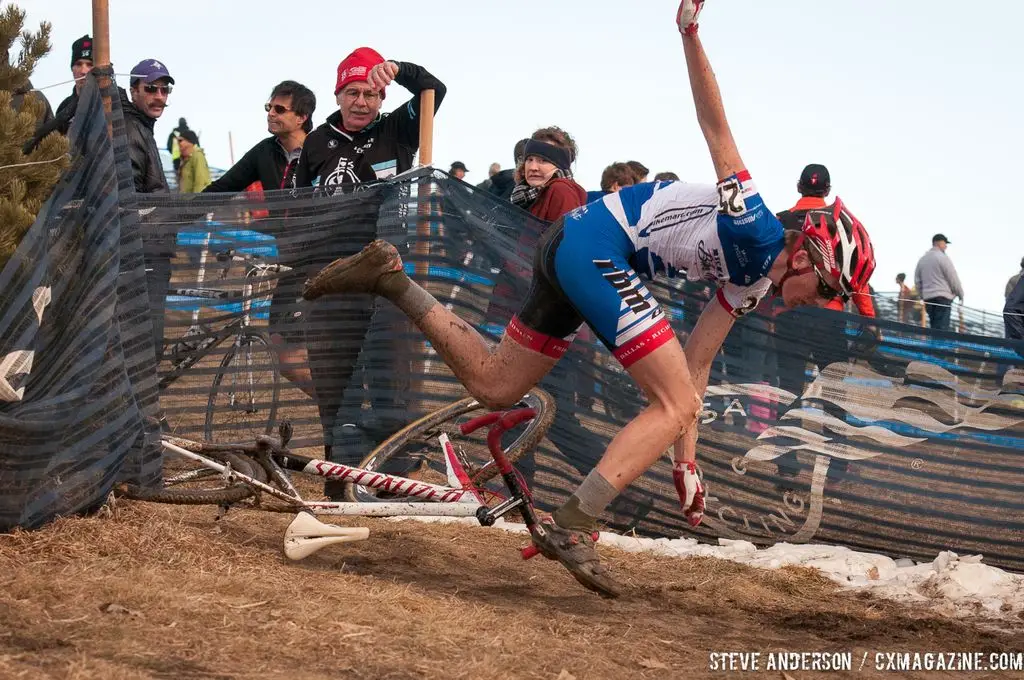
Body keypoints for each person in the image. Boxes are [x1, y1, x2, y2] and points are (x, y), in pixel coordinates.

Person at [301, 1, 876, 597]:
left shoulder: (754, 284)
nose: (820, 305)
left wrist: (686, 462)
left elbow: (699, 362)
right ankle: (575, 523)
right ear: (809, 256)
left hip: (578, 247)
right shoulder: (753, 224)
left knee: (500, 385)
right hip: (596, 245)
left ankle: (391, 278)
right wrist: (690, 34)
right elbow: (717, 128)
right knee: (673, 400)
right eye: (829, 293)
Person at [295, 47, 445, 190]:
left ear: (381, 100)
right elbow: (298, 205)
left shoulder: (398, 128)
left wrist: (399, 70)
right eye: (352, 93)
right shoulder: (315, 140)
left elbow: (436, 89)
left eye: (370, 94)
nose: (360, 102)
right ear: (337, 97)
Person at [205, 80, 316, 193]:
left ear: (301, 118)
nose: (271, 113)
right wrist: (189, 208)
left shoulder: (322, 151)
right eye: (269, 107)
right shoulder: (264, 151)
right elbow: (223, 187)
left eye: (279, 109)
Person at [24, 35, 93, 154]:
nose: (83, 70)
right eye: (78, 64)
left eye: (89, 64)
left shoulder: (113, 102)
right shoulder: (64, 107)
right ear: (72, 68)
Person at [510, 127, 587, 222]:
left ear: (560, 166)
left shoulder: (561, 191)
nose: (533, 167)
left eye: (543, 160)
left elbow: (566, 235)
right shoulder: (524, 196)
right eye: (529, 160)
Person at [122, 59, 173, 193]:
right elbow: (129, 200)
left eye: (165, 89)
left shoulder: (142, 128)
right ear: (134, 92)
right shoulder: (130, 131)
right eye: (151, 88)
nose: (159, 97)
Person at [914, 234, 964, 331]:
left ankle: (934, 345)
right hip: (943, 298)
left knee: (934, 328)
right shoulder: (943, 258)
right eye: (945, 243)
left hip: (928, 298)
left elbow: (917, 282)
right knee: (942, 329)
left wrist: (922, 295)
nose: (946, 246)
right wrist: (960, 294)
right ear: (938, 243)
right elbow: (952, 278)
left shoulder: (922, 260)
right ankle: (940, 346)